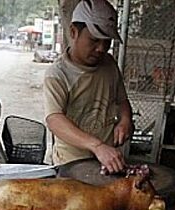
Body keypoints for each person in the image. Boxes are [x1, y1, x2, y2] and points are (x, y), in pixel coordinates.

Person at [43, 0, 133, 174]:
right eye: (94, 40)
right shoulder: (58, 74)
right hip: (71, 164)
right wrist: (97, 146)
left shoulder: (109, 64)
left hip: (107, 161)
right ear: (73, 32)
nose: (101, 48)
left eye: (107, 42)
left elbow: (121, 100)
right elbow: (54, 119)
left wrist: (125, 120)